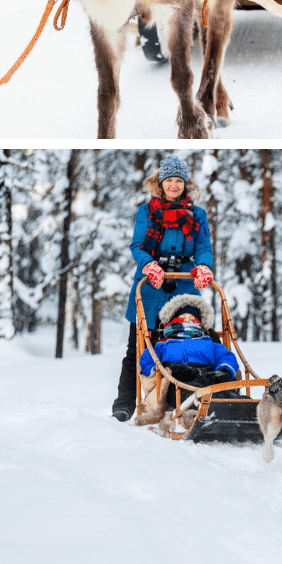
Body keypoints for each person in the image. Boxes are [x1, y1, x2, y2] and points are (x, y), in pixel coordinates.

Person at [111, 156, 214, 421]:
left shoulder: (197, 215)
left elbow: (203, 246)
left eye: (179, 180)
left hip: (183, 283)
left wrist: (203, 266)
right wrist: (149, 265)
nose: (174, 185)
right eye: (169, 180)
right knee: (139, 345)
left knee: (189, 341)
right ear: (160, 183)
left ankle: (189, 398)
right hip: (150, 286)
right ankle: (125, 404)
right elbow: (138, 246)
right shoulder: (148, 211)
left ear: (185, 183)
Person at [135, 295, 239, 423]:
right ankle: (199, 413)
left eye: (192, 319)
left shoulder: (210, 342)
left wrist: (224, 371)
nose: (188, 321)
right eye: (182, 318)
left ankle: (243, 407)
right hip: (179, 380)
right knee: (191, 390)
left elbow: (227, 357)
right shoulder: (162, 345)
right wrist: (167, 368)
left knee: (225, 390)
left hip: (209, 375)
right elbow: (146, 364)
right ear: (172, 322)